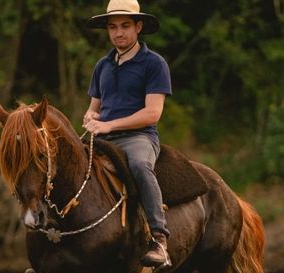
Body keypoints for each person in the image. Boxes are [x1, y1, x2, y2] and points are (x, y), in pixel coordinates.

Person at [82, 0, 172, 268]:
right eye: (112, 27)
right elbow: (93, 108)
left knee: (140, 167)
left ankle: (159, 239)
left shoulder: (154, 63)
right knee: (61, 162)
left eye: (124, 26)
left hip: (139, 137)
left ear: (138, 27)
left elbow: (152, 113)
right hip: (102, 135)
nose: (118, 33)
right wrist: (90, 118)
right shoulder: (102, 65)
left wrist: (109, 125)